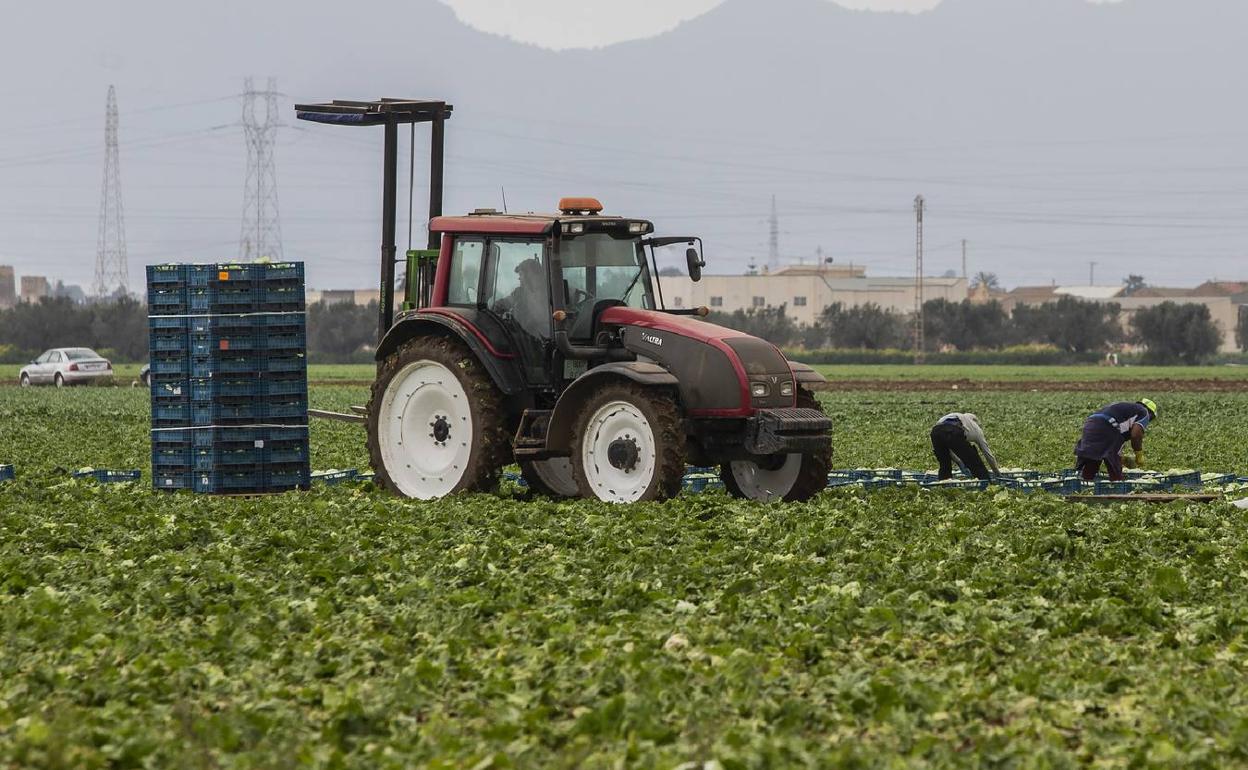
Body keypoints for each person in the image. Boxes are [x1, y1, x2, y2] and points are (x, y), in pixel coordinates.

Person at [1074, 399, 1157, 481]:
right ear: (1151, 413)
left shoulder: (1125, 408)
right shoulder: (1144, 412)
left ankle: (1086, 482)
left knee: (1092, 457)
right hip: (1108, 426)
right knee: (1114, 464)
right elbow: (1136, 435)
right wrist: (1139, 454)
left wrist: (1122, 459)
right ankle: (1117, 485)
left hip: (1090, 424)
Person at [930, 412, 1000, 481]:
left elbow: (947, 450)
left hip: (935, 432)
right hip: (953, 432)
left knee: (944, 464)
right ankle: (985, 482)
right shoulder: (976, 429)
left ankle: (944, 484)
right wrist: (996, 472)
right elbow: (987, 453)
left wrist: (960, 463)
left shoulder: (948, 417)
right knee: (974, 461)